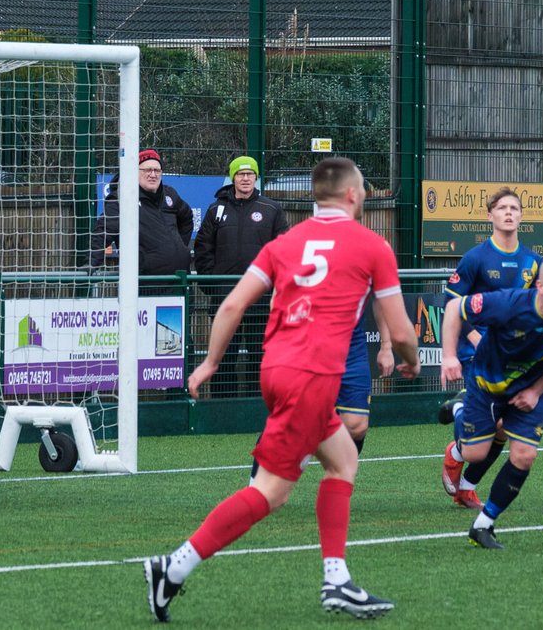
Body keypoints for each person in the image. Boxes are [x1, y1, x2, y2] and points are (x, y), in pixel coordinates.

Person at [145, 157, 420, 622]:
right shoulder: (373, 245)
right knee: (271, 493)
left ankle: (337, 578)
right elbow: (401, 330)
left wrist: (210, 362)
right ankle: (173, 567)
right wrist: (410, 359)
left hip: (275, 369)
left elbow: (231, 305)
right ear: (353, 195)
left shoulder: (286, 242)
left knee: (343, 460)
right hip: (311, 377)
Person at [440, 257, 543, 550]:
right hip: (486, 387)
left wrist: (536, 390)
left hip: (528, 391)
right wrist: (449, 356)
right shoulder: (508, 304)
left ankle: (483, 525)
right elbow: (455, 307)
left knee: (524, 456)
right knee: (475, 454)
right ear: (540, 286)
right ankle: (459, 409)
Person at [437, 188, 541, 509]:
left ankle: (467, 487)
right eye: (502, 208)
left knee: (504, 427)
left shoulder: (533, 262)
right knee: (484, 430)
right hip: (478, 352)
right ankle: (459, 426)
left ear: (521, 216)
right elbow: (451, 304)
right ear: (490, 215)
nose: (509, 212)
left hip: (512, 356)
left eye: (514, 208)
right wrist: (473, 338)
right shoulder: (476, 258)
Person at [192, 155, 289, 396]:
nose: (245, 178)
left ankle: (259, 405)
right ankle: (223, 407)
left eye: (250, 174)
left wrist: (274, 287)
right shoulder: (215, 210)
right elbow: (203, 249)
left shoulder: (272, 209)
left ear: (256, 177)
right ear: (233, 178)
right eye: (240, 174)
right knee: (224, 357)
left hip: (261, 299)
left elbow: (284, 250)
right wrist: (213, 286)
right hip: (225, 297)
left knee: (261, 356)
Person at [98, 149, 192, 275]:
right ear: (135, 172)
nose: (153, 175)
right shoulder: (122, 199)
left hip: (180, 279)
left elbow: (187, 218)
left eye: (157, 170)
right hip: (146, 282)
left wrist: (180, 247)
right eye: (147, 170)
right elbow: (102, 233)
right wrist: (90, 265)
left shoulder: (170, 194)